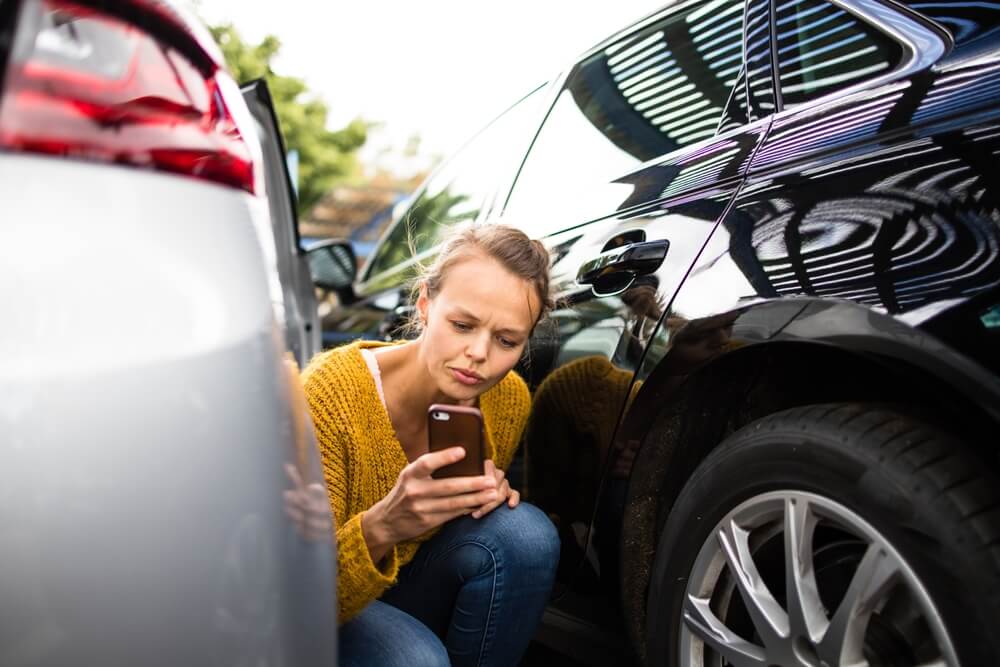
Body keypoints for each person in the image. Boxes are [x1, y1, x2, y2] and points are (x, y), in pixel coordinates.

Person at [300, 224, 560, 667]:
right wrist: (383, 525)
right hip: (322, 604)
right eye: (462, 325)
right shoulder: (330, 395)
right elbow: (294, 605)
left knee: (527, 533)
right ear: (425, 304)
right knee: (416, 659)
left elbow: (470, 541)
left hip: (415, 581)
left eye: (506, 340)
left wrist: (484, 500)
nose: (479, 353)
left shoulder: (508, 397)